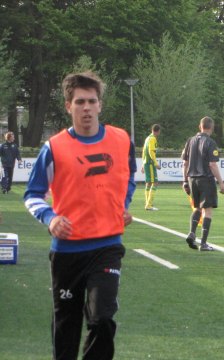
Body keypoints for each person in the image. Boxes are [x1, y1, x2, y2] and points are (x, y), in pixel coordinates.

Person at [23, 71, 136, 360]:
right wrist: (51, 219)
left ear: (100, 105)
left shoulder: (122, 140)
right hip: (67, 252)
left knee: (102, 320)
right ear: (68, 106)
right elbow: (32, 194)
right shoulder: (54, 148)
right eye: (80, 102)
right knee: (66, 327)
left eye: (92, 101)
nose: (86, 108)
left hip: (107, 246)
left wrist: (123, 204)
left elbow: (129, 177)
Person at [182, 116, 224, 252]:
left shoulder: (190, 141)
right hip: (205, 179)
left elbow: (185, 163)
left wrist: (184, 181)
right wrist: (221, 183)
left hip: (192, 179)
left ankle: (191, 232)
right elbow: (212, 164)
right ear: (211, 128)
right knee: (207, 210)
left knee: (197, 208)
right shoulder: (210, 142)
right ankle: (204, 244)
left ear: (199, 126)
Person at [142, 124, 161, 210]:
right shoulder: (153, 138)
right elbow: (151, 151)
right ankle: (149, 205)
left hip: (146, 162)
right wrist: (156, 163)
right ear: (158, 131)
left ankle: (147, 203)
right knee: (155, 182)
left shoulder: (147, 138)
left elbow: (143, 152)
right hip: (150, 163)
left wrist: (143, 164)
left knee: (148, 183)